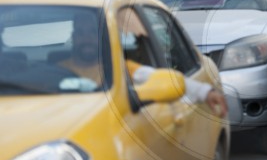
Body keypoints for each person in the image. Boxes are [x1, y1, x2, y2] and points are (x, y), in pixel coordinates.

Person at [59, 12, 227, 117]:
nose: (86, 39)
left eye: (92, 33)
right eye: (80, 33)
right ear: (73, 37)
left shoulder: (120, 68)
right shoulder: (56, 70)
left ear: (101, 38)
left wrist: (205, 91)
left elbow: (154, 76)